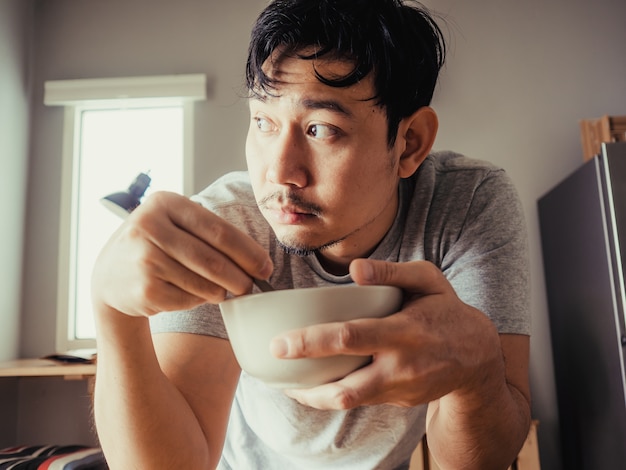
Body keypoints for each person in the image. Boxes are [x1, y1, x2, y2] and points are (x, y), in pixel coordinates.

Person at [91, 0, 531, 469]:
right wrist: (112, 312)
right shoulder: (224, 225)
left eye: (322, 129)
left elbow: (473, 462)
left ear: (409, 143)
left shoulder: (465, 204)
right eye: (263, 122)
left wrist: (479, 375)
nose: (280, 173)